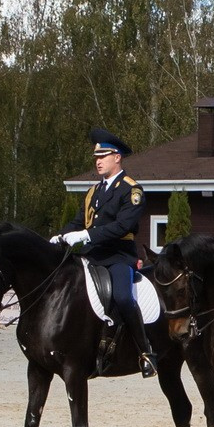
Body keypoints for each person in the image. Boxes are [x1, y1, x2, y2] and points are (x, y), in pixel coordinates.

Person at [57, 129, 151, 375]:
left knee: (123, 297)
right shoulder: (93, 192)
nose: (98, 161)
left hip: (118, 256)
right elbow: (78, 222)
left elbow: (123, 225)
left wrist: (86, 235)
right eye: (96, 157)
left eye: (103, 156)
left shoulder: (131, 190)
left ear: (117, 157)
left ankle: (145, 352)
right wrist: (60, 236)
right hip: (91, 256)